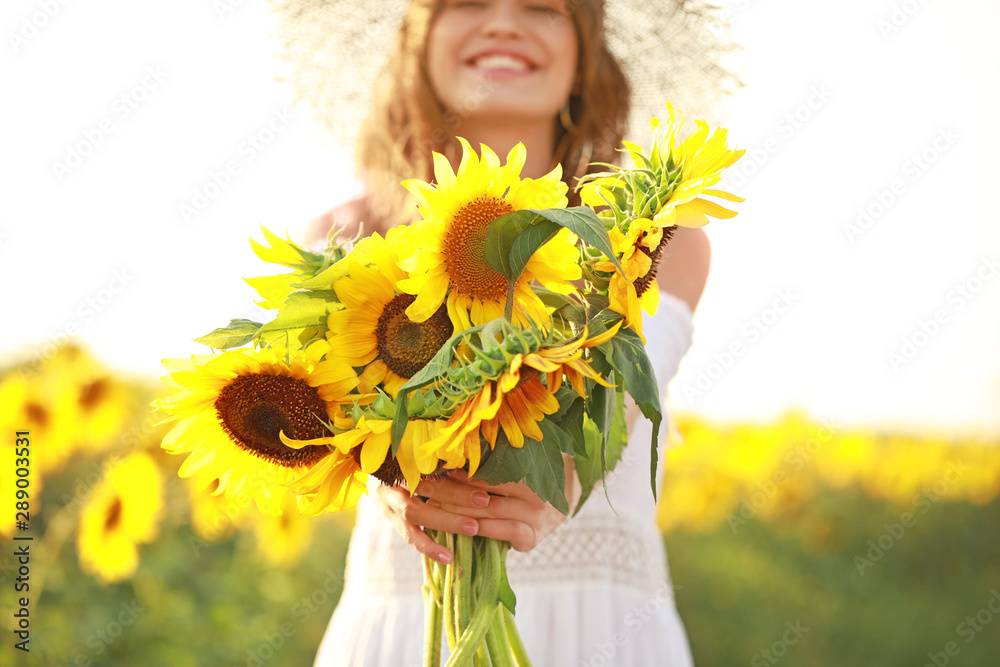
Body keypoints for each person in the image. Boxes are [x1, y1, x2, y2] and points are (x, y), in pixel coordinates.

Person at [273, 0, 732, 663]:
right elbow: (337, 424)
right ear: (417, 40)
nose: (502, 23)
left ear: (584, 54)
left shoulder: (655, 237)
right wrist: (395, 483)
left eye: (541, 7)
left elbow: (631, 384)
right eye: (467, 2)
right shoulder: (345, 238)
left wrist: (556, 488)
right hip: (404, 631)